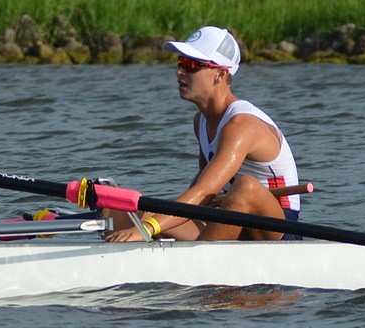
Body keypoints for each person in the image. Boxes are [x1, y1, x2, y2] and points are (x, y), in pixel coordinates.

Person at [104, 25, 301, 243]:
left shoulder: (242, 124)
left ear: (220, 74)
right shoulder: (201, 121)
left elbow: (205, 190)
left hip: (279, 228)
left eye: (191, 65)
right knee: (121, 210)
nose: (180, 72)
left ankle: (199, 258)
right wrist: (150, 221)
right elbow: (201, 192)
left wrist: (148, 229)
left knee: (245, 188)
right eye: (180, 62)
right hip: (232, 219)